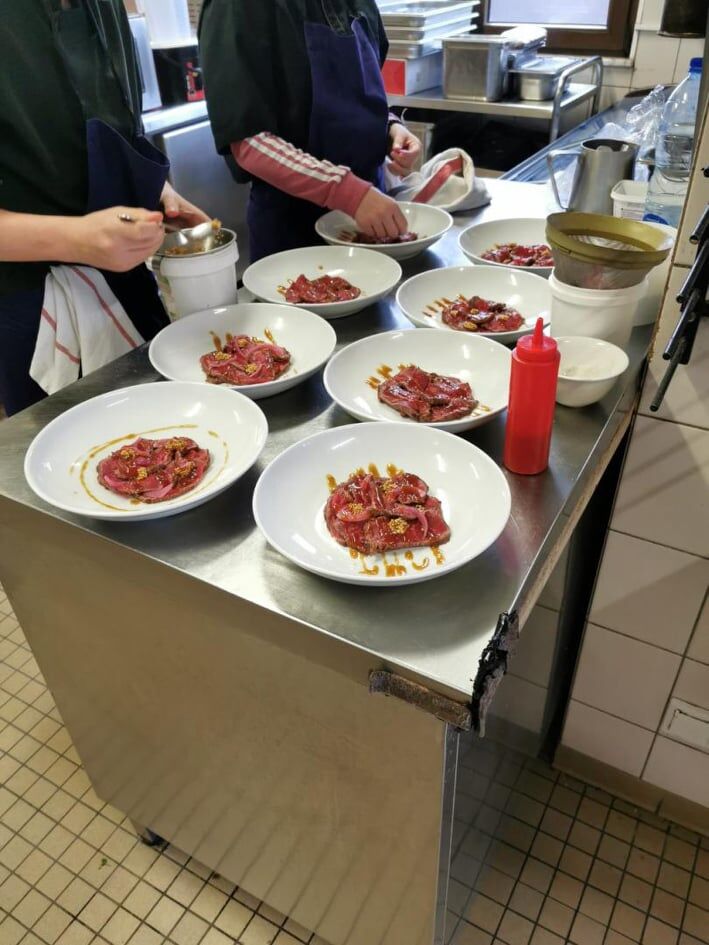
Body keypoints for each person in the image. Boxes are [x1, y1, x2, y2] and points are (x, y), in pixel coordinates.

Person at [0, 0, 209, 416]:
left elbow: (112, 123)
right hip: (31, 302)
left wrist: (159, 190)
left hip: (128, 277)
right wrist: (75, 239)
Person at [198, 0, 422, 262]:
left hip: (373, 221)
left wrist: (390, 127)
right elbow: (248, 141)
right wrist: (349, 193)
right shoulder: (237, 8)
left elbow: (360, 93)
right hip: (294, 234)